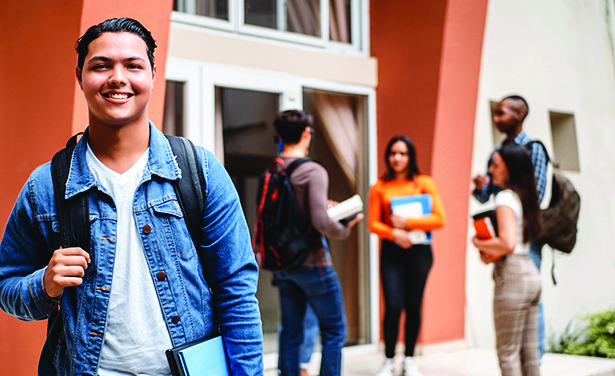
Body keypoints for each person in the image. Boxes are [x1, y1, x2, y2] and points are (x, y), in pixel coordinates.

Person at [0, 18, 263, 375]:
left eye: (133, 65)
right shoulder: (45, 186)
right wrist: (44, 284)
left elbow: (237, 294)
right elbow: (7, 286)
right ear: (80, 76)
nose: (117, 77)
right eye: (101, 65)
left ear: (153, 74)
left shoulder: (198, 171)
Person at [272, 109, 363, 376]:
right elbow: (321, 221)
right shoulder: (313, 170)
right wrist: (344, 228)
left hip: (283, 263)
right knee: (335, 329)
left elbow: (291, 212)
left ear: (279, 136)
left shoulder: (274, 169)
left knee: (291, 329)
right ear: (306, 133)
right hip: (312, 262)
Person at [472, 95, 548, 358]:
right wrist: (483, 186)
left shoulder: (533, 149)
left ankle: (535, 357)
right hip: (506, 236)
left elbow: (533, 197)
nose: (496, 119)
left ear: (519, 115)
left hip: (525, 240)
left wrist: (488, 240)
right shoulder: (497, 152)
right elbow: (486, 196)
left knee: (527, 314)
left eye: (501, 113)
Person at [368, 135, 446, 376]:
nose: (397, 158)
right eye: (393, 153)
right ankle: (389, 359)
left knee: (414, 305)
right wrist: (394, 233)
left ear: (410, 156)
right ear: (387, 157)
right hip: (392, 253)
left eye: (402, 153)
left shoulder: (423, 183)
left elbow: (439, 219)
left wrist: (408, 223)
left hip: (420, 253)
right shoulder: (379, 187)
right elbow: (372, 223)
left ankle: (410, 359)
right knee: (392, 305)